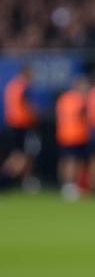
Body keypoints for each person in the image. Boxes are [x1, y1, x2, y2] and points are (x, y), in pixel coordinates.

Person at [1, 63, 40, 191]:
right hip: (22, 125)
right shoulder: (24, 87)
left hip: (11, 124)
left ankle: (8, 180)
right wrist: (35, 114)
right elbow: (28, 107)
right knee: (22, 156)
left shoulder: (12, 86)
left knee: (15, 155)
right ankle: (6, 181)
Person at [55, 75, 91, 200]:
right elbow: (84, 116)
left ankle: (66, 185)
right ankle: (71, 186)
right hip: (77, 134)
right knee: (74, 161)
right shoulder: (80, 99)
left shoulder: (63, 98)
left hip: (63, 134)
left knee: (66, 160)